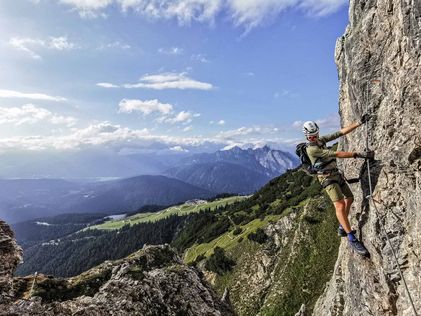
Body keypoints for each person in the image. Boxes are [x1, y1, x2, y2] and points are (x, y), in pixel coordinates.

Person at [302, 115, 373, 257]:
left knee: (350, 198)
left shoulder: (320, 141)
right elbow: (336, 153)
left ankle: (342, 225)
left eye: (315, 135)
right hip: (327, 178)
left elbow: (339, 133)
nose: (314, 138)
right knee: (339, 205)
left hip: (335, 174)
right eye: (311, 137)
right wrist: (358, 155)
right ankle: (351, 238)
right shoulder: (311, 150)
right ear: (307, 136)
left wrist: (359, 122)